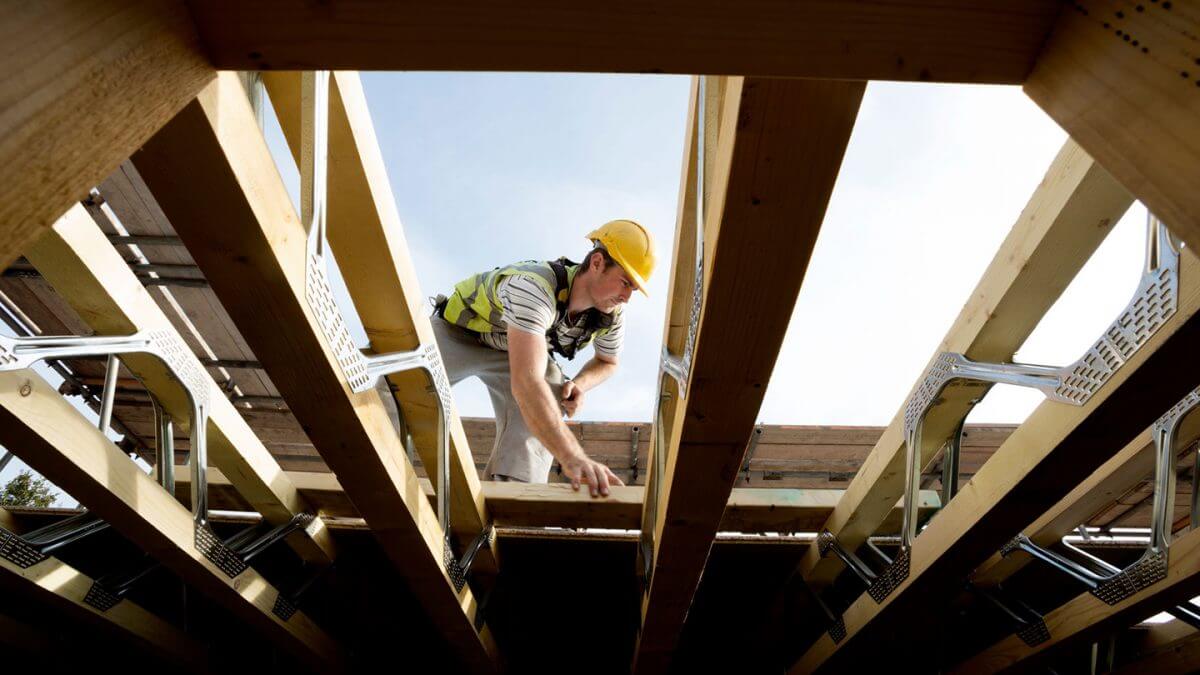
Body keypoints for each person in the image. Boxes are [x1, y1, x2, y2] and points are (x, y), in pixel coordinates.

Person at [432, 220, 656, 497]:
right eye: (625, 283)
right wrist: (574, 457)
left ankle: (512, 496)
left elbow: (608, 362)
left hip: (512, 350)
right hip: (458, 335)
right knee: (401, 390)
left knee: (551, 395)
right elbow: (526, 381)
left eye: (633, 289)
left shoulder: (610, 314)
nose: (626, 297)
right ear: (597, 263)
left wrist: (580, 383)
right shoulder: (534, 287)